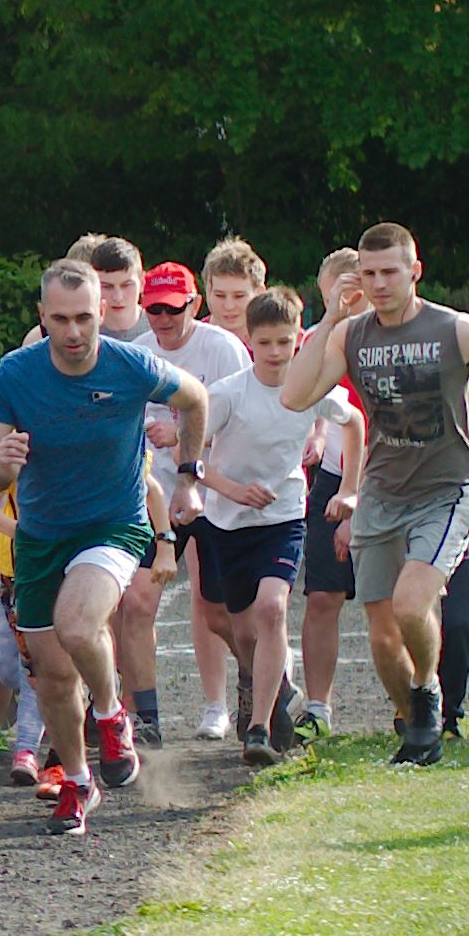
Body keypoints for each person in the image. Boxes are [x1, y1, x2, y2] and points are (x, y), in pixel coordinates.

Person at [278, 223, 469, 768]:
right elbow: (295, 395)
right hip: (383, 492)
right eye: (369, 273)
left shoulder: (455, 330)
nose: (379, 284)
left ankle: (429, 691)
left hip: (448, 490)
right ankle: (415, 722)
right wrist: (332, 319)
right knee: (383, 634)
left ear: (415, 272)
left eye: (390, 272)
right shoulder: (351, 334)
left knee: (413, 603)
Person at [0, 262, 210, 835]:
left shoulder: (130, 365)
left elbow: (197, 400)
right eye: (60, 319)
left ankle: (110, 715)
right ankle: (78, 784)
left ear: (103, 313)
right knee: (53, 677)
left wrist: (188, 476)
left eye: (84, 318)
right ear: (42, 317)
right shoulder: (15, 376)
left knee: (79, 625)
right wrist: (0, 464)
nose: (74, 332)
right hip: (40, 536)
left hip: (114, 524)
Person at [196, 291, 347, 766]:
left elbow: (356, 423)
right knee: (242, 631)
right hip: (227, 521)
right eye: (265, 343)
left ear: (298, 337)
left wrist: (351, 489)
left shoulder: (308, 389)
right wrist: (231, 489)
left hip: (282, 517)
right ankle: (270, 686)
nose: (277, 353)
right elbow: (192, 459)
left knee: (271, 608)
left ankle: (260, 727)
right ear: (250, 341)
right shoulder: (227, 394)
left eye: (285, 341)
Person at [137, 259, 249, 741]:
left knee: (218, 608)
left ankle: (261, 681)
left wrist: (183, 435)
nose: (161, 319)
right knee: (137, 601)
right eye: (153, 309)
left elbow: (245, 424)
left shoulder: (222, 349)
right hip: (156, 493)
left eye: (171, 309)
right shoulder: (137, 352)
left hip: (215, 489)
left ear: (194, 305)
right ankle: (144, 720)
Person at [293, 247, 370, 736]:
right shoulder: (314, 343)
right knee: (322, 596)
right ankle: (319, 706)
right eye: (335, 296)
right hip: (333, 480)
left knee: (400, 599)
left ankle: (416, 702)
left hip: (393, 482)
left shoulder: (395, 339)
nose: (348, 304)